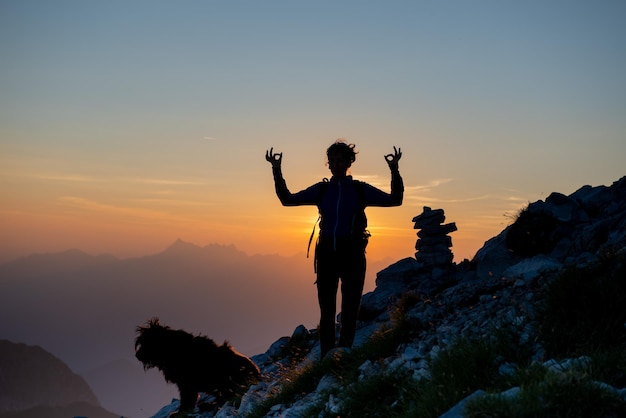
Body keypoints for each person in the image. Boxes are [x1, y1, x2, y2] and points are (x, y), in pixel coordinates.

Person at [265, 139, 404, 359]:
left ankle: (344, 355)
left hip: (353, 253)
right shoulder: (322, 190)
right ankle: (327, 358)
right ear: (328, 164)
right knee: (327, 311)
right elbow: (287, 199)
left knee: (350, 309)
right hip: (328, 253)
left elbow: (395, 200)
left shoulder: (359, 190)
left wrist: (394, 170)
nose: (335, 165)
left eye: (340, 160)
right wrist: (276, 169)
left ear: (349, 162)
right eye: (331, 161)